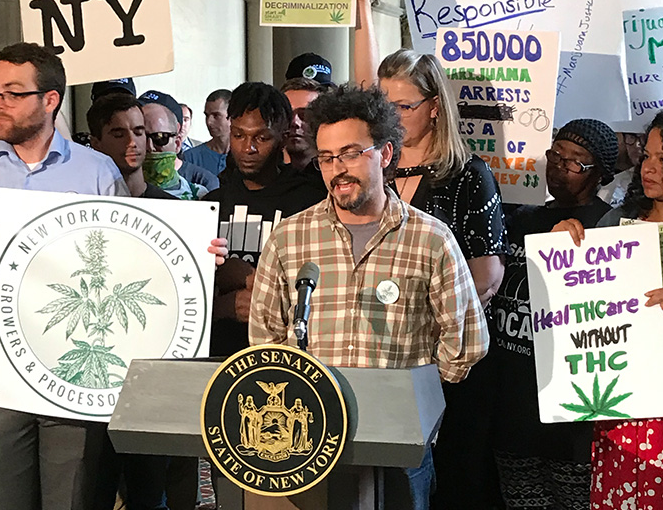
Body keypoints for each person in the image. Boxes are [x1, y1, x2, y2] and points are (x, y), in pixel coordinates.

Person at [249, 85, 489, 508]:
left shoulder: (430, 238)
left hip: (400, 449)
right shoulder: (290, 238)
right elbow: (264, 337)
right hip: (307, 445)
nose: (337, 169)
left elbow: (466, 342)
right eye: (327, 158)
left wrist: (416, 400)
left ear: (386, 153)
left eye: (351, 153)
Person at [0, 42, 129, 510]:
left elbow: (128, 260)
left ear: (50, 100)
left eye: (13, 93)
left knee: (72, 495)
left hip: (73, 360)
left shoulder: (97, 170)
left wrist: (194, 253)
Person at [377, 48, 508, 509]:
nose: (390, 114)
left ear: (435, 106)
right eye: (383, 103)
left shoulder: (469, 176)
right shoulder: (375, 173)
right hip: (387, 357)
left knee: (455, 482)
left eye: (403, 106)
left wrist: (418, 310)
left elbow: (487, 275)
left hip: (454, 364)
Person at [86, 91, 227, 510]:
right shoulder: (78, 211)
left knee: (150, 488)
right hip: (92, 372)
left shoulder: (174, 211)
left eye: (141, 132)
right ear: (95, 141)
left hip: (155, 372)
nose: (134, 142)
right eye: (118, 133)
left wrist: (210, 263)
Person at [490, 118, 618, 510]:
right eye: (556, 155)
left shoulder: (610, 227)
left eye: (576, 162)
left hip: (572, 419)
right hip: (513, 404)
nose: (560, 167)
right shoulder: (519, 217)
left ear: (600, 175)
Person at [551, 111, 663, 509]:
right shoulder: (616, 225)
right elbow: (576, 308)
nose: (649, 167)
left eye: (662, 159)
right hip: (619, 413)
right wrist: (562, 252)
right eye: (646, 155)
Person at [205, 82, 326, 357]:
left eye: (261, 138)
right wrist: (224, 306)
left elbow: (326, 287)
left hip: (289, 354)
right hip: (218, 352)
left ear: (283, 138)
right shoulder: (211, 203)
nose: (248, 148)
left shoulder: (310, 202)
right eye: (239, 135)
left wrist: (250, 280)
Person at [139, 90, 219, 193]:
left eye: (159, 137)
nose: (149, 146)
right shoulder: (120, 182)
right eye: (140, 136)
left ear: (177, 142)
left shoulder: (203, 184)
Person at [181, 89, 231, 176]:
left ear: (231, 115)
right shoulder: (191, 157)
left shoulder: (245, 155)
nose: (209, 122)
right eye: (207, 115)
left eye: (216, 115)